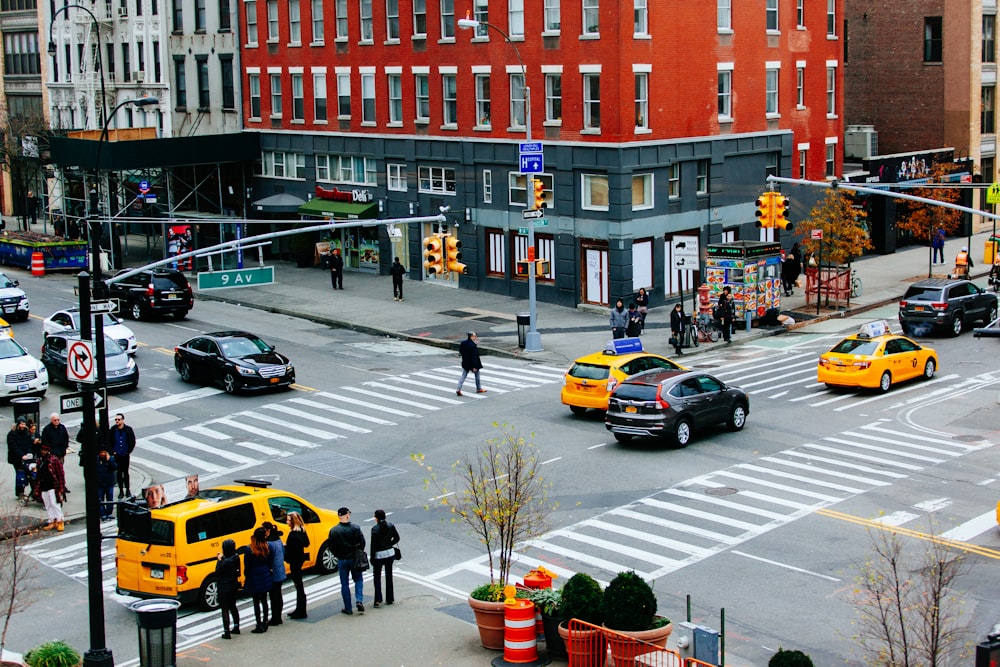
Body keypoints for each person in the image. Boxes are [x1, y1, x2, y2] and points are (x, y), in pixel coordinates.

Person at [327, 507, 365, 615]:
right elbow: (362, 542)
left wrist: (338, 555)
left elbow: (331, 546)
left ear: (339, 516)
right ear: (347, 515)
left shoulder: (334, 530)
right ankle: (359, 600)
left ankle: (348, 608)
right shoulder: (355, 528)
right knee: (358, 579)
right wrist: (358, 552)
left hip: (342, 559)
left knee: (344, 584)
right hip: (354, 558)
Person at [244, 526, 275, 633]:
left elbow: (247, 566)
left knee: (256, 602)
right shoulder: (267, 547)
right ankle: (265, 621)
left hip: (254, 576)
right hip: (265, 574)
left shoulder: (249, 550)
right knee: (264, 600)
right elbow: (270, 562)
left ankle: (258, 623)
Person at [370, 509, 400, 608]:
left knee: (377, 577)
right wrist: (389, 544)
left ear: (376, 518)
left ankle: (378, 599)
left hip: (379, 555)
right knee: (389, 575)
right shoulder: (391, 526)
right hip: (390, 553)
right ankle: (390, 598)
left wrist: (372, 557)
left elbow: (373, 546)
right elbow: (397, 538)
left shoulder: (375, 529)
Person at [284, 511, 310, 619]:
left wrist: (286, 548)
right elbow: (307, 543)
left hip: (295, 563)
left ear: (293, 521)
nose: (287, 522)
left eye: (288, 520)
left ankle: (301, 611)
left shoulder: (293, 535)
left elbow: (292, 551)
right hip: (300, 561)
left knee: (298, 586)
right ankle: (300, 609)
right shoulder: (302, 531)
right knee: (299, 586)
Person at [216, 539, 242, 639]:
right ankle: (236, 626)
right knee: (233, 606)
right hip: (233, 584)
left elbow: (218, 572)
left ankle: (226, 632)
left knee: (225, 609)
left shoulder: (224, 561)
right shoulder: (236, 557)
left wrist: (219, 560)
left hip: (224, 586)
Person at [37, 444, 66, 532]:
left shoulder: (54, 460)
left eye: (45, 450)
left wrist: (61, 487)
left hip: (53, 485)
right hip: (43, 485)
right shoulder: (40, 460)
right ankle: (52, 520)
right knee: (47, 504)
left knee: (55, 503)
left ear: (48, 451)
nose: (43, 452)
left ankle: (60, 520)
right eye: (42, 450)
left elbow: (60, 474)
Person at [107, 413, 136, 499]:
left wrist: (128, 451)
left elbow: (132, 441)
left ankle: (127, 490)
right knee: (119, 473)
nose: (117, 421)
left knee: (126, 473)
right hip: (117, 455)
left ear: (122, 420)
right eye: (116, 419)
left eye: (119, 419)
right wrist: (113, 452)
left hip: (125, 455)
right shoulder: (113, 430)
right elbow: (109, 441)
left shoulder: (128, 429)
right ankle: (121, 491)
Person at [264, 521, 286, 626]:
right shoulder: (278, 540)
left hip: (273, 573)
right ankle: (278, 617)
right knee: (278, 594)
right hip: (281, 571)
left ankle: (275, 618)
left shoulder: (269, 543)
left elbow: (268, 559)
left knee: (273, 597)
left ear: (268, 531)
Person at [7, 418, 33, 498]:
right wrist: (21, 455)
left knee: (27, 474)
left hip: (25, 457)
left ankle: (21, 491)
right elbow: (13, 447)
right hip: (16, 458)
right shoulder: (12, 434)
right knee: (20, 474)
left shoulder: (26, 433)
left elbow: (29, 444)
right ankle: (20, 492)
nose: (23, 426)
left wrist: (29, 453)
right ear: (18, 424)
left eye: (24, 424)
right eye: (21, 424)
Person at [456, 332, 486, 397]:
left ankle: (458, 388)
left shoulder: (463, 343)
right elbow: (474, 356)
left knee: (463, 375)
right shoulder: (473, 345)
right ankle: (479, 388)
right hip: (473, 364)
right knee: (477, 375)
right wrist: (475, 366)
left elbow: (461, 351)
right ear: (471, 337)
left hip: (465, 362)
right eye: (474, 336)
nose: (475, 337)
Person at [96, 448, 117, 521]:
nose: (103, 454)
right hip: (100, 483)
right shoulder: (96, 460)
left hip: (109, 482)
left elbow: (114, 467)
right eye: (101, 452)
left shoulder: (111, 459)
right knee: (100, 499)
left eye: (104, 452)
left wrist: (109, 460)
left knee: (110, 498)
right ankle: (103, 514)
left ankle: (109, 513)